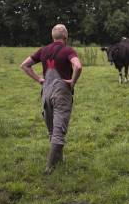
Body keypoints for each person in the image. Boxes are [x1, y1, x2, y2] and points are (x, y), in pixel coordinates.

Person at [20, 24, 83, 173]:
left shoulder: (43, 50)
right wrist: (72, 82)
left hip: (46, 92)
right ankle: (49, 167)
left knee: (52, 130)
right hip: (61, 93)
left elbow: (24, 65)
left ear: (52, 37)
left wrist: (39, 80)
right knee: (59, 130)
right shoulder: (68, 50)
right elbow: (78, 66)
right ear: (66, 38)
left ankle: (59, 159)